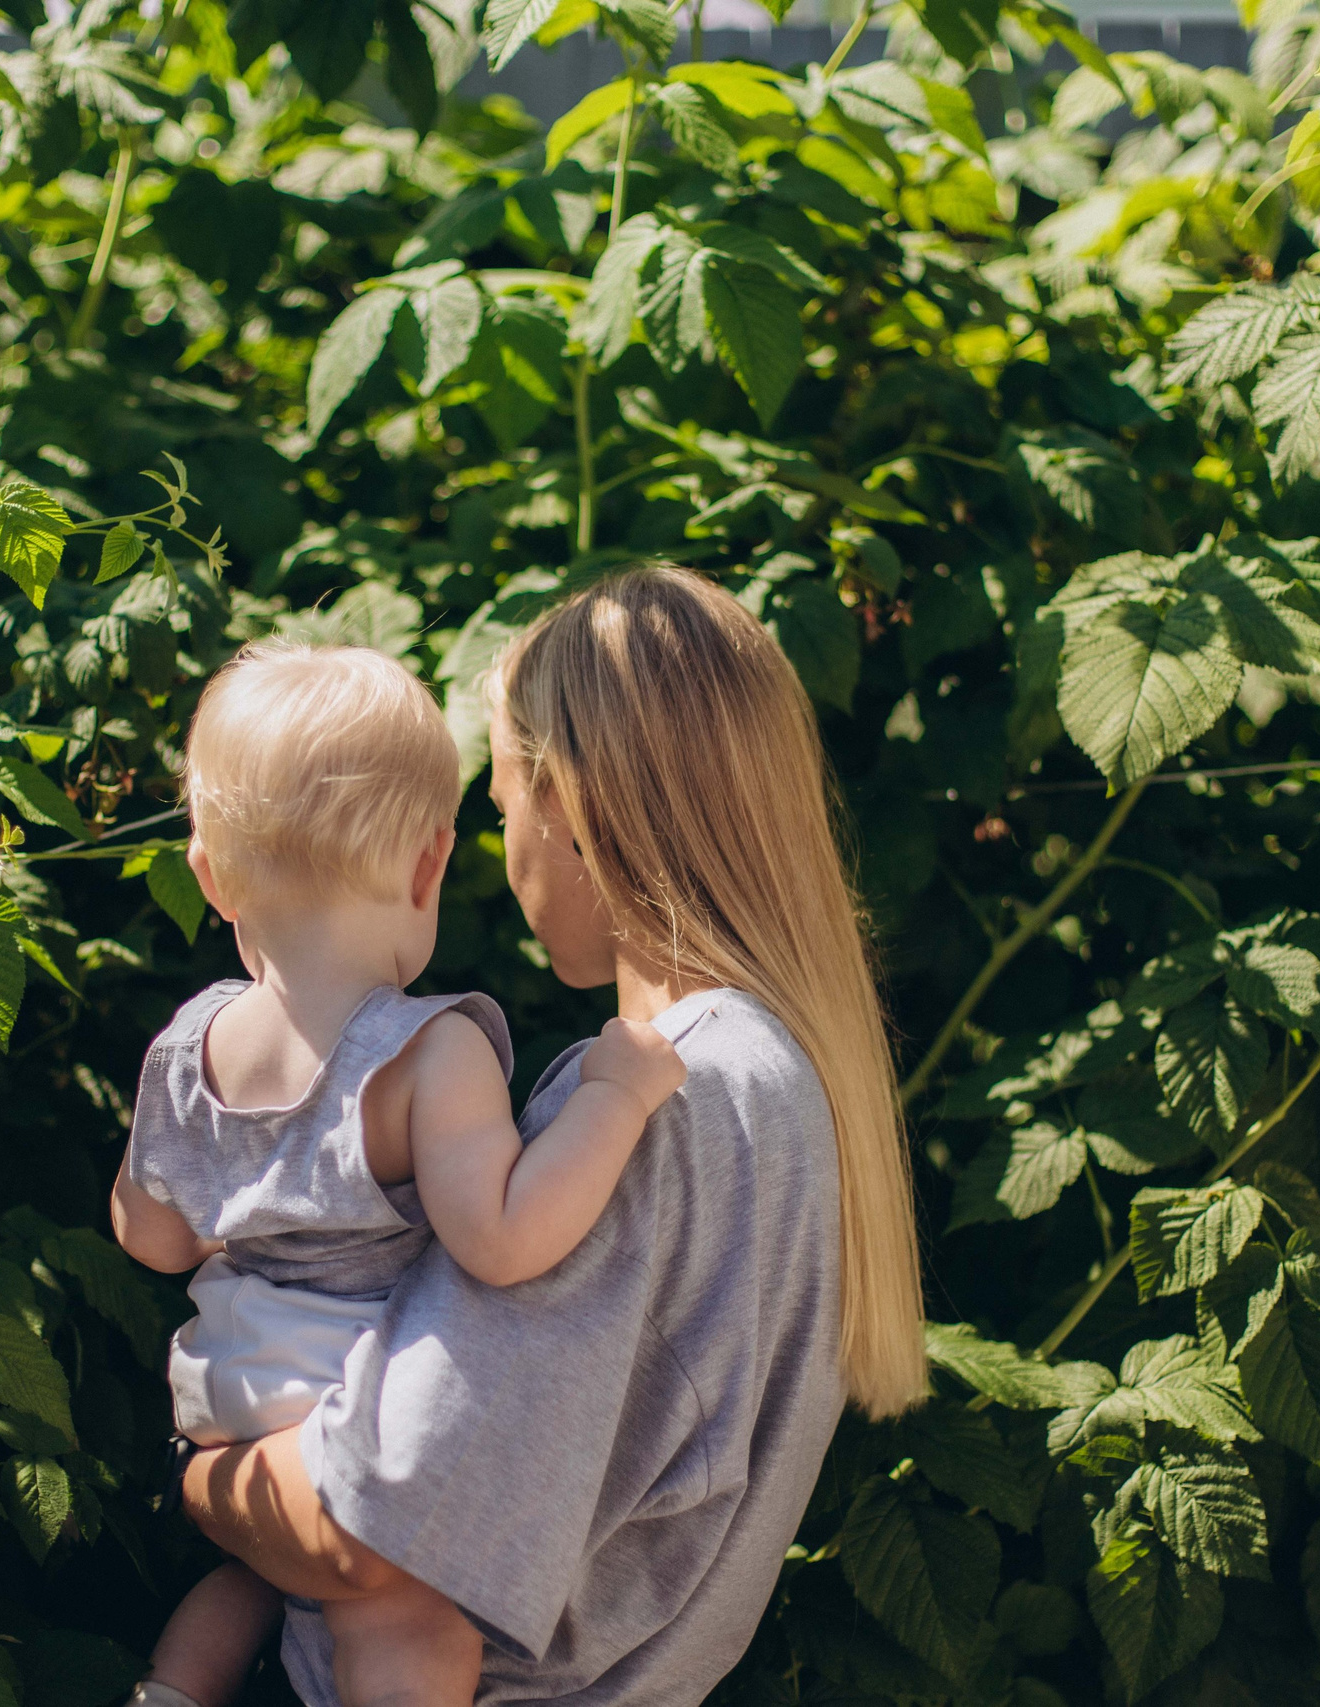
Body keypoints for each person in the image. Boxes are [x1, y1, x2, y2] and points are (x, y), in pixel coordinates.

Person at [175, 565, 930, 1704]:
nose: (500, 847)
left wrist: (200, 1473)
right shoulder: (790, 1087)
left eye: (501, 807)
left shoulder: (644, 1107)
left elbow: (375, 1525)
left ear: (567, 807)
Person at [109, 641, 689, 1707]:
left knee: (252, 1573)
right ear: (429, 865)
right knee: (411, 1623)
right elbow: (505, 1239)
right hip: (344, 1403)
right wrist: (615, 1097)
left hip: (225, 1389)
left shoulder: (186, 1046)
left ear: (209, 875)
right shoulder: (427, 1052)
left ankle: (170, 1692)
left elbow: (151, 1237)